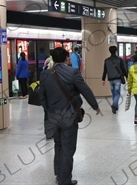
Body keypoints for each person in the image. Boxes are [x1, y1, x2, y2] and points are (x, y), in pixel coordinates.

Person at [39, 47, 100, 185]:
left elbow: (42, 97)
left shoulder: (45, 74)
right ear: (67, 59)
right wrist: (95, 105)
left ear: (53, 59)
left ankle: (59, 174)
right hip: (68, 116)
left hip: (52, 116)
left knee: (58, 144)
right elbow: (85, 89)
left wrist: (49, 110)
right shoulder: (73, 72)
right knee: (68, 148)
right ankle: (65, 180)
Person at [102, 46, 128, 114]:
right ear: (116, 51)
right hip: (117, 79)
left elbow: (105, 70)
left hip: (110, 79)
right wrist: (127, 76)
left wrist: (103, 79)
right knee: (117, 93)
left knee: (113, 93)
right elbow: (123, 69)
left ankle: (115, 105)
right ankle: (114, 105)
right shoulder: (119, 60)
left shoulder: (106, 60)